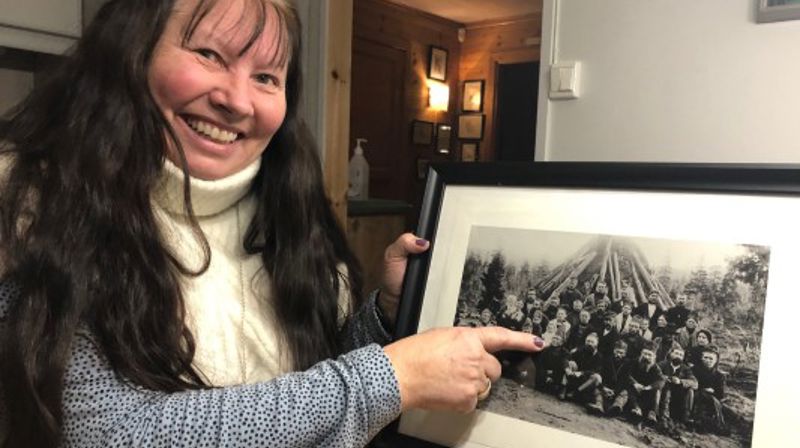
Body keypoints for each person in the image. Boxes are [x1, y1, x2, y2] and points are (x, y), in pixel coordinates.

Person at [0, 1, 545, 447]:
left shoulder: (287, 212)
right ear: (131, 52)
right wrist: (392, 377)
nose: (236, 100)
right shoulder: (34, 211)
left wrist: (383, 314)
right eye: (210, 54)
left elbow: (308, 384)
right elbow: (108, 432)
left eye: (265, 76)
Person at [624, 342, 665, 424]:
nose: (646, 357)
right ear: (641, 353)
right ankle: (636, 409)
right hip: (633, 392)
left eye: (649, 355)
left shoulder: (655, 368)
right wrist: (635, 383)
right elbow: (626, 374)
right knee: (628, 387)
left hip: (646, 393)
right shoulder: (633, 362)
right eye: (645, 354)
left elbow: (661, 381)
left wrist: (649, 387)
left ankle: (652, 413)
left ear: (654, 357)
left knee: (657, 391)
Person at [657, 344, 697, 424]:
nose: (678, 356)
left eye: (681, 355)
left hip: (678, 395)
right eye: (676, 353)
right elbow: (655, 374)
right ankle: (663, 416)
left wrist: (680, 381)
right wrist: (666, 378)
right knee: (666, 389)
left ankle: (686, 417)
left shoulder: (686, 369)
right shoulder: (662, 364)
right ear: (671, 354)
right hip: (664, 392)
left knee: (690, 391)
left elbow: (695, 383)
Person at [692, 347, 728, 434]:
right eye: (705, 357)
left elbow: (721, 394)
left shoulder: (719, 376)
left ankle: (717, 424)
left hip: (711, 400)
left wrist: (713, 391)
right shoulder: (694, 370)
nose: (708, 360)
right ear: (701, 358)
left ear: (716, 361)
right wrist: (703, 389)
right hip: (696, 397)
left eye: (711, 358)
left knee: (713, 401)